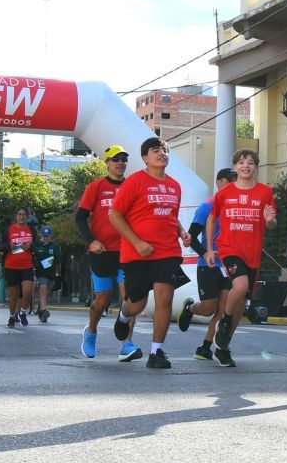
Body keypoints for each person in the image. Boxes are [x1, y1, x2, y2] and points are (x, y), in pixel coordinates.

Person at [110, 137, 190, 369]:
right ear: (145, 158)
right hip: (137, 254)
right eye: (156, 150)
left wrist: (182, 231)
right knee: (138, 304)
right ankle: (124, 315)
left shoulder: (175, 185)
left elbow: (169, 216)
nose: (161, 153)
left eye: (164, 150)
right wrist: (137, 243)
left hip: (167, 251)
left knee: (164, 298)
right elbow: (115, 216)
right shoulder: (134, 182)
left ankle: (157, 351)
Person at [202, 149, 277, 367]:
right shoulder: (224, 193)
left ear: (256, 167)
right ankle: (223, 322)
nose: (246, 166)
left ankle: (222, 347)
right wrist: (209, 249)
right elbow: (211, 219)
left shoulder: (264, 192)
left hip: (252, 253)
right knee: (240, 286)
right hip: (229, 249)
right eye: (241, 162)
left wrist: (270, 220)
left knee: (241, 305)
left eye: (251, 163)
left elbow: (270, 224)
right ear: (235, 167)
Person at [78, 145, 141, 362]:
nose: (120, 163)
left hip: (127, 252)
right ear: (107, 163)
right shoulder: (96, 187)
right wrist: (91, 240)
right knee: (102, 301)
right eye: (116, 159)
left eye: (124, 159)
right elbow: (80, 217)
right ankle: (92, 332)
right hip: (102, 252)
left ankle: (126, 344)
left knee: (129, 299)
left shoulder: (132, 186)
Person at [178, 168, 236, 360]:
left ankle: (205, 347)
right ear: (219, 182)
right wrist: (206, 253)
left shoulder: (237, 206)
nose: (235, 184)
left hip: (229, 265)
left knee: (224, 309)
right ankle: (191, 308)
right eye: (230, 180)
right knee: (210, 308)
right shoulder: (206, 207)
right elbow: (191, 237)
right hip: (208, 265)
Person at [1, 207, 36, 328]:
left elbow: (36, 246)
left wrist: (30, 247)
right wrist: (9, 246)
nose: (22, 217)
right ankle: (11, 316)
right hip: (11, 265)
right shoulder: (8, 230)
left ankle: (23, 312)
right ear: (15, 216)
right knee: (14, 294)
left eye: (24, 215)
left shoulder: (31, 229)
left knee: (27, 290)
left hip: (27, 265)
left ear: (27, 217)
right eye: (19, 214)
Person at [31, 226, 61, 322]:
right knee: (43, 289)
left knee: (46, 293)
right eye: (44, 236)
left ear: (50, 236)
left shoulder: (55, 246)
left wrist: (53, 261)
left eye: (47, 236)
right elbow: (32, 258)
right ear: (41, 236)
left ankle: (41, 310)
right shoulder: (37, 245)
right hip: (40, 273)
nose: (46, 238)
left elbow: (59, 258)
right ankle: (44, 311)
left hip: (51, 273)